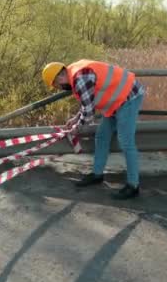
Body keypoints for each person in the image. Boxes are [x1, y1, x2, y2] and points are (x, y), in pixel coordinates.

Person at [41, 59, 145, 200]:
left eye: (56, 85)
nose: (59, 88)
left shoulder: (79, 78)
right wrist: (75, 119)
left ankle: (133, 186)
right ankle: (97, 175)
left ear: (59, 78)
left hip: (129, 97)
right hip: (116, 102)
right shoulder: (75, 73)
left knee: (126, 142)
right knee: (101, 136)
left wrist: (77, 128)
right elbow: (87, 101)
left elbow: (89, 113)